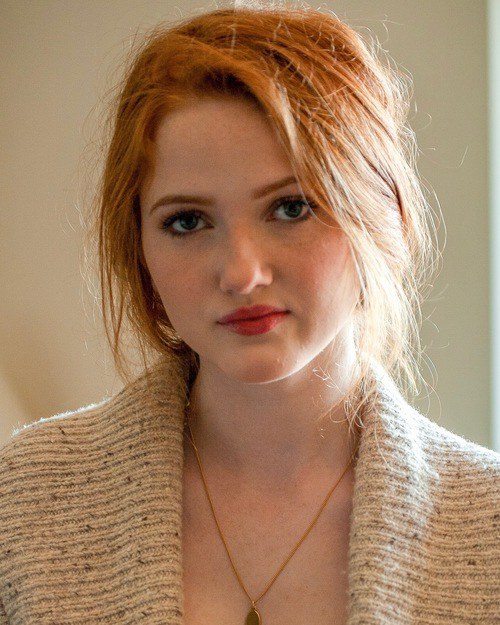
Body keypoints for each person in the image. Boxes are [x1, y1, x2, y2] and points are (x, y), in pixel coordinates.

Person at [0, 4, 498, 625]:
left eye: (291, 208)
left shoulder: (488, 521)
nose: (241, 273)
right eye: (188, 221)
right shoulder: (27, 502)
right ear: (140, 248)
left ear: (384, 216)